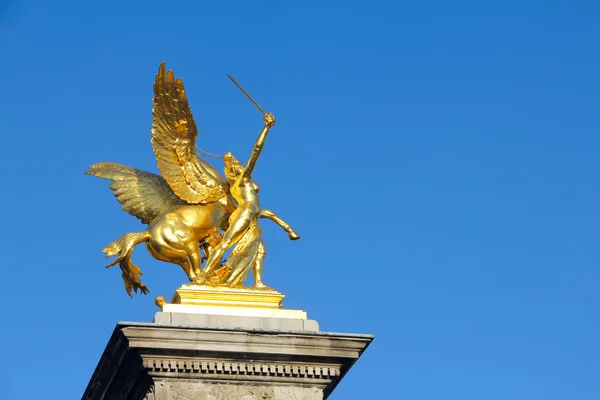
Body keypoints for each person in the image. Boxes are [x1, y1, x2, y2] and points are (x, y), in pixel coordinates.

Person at [196, 112, 299, 286]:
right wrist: (266, 128)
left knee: (260, 250)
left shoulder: (245, 182)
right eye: (236, 165)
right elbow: (256, 151)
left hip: (253, 217)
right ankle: (203, 274)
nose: (240, 165)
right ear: (232, 172)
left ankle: (258, 282)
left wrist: (285, 227)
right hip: (245, 213)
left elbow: (264, 211)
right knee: (227, 242)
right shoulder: (242, 181)